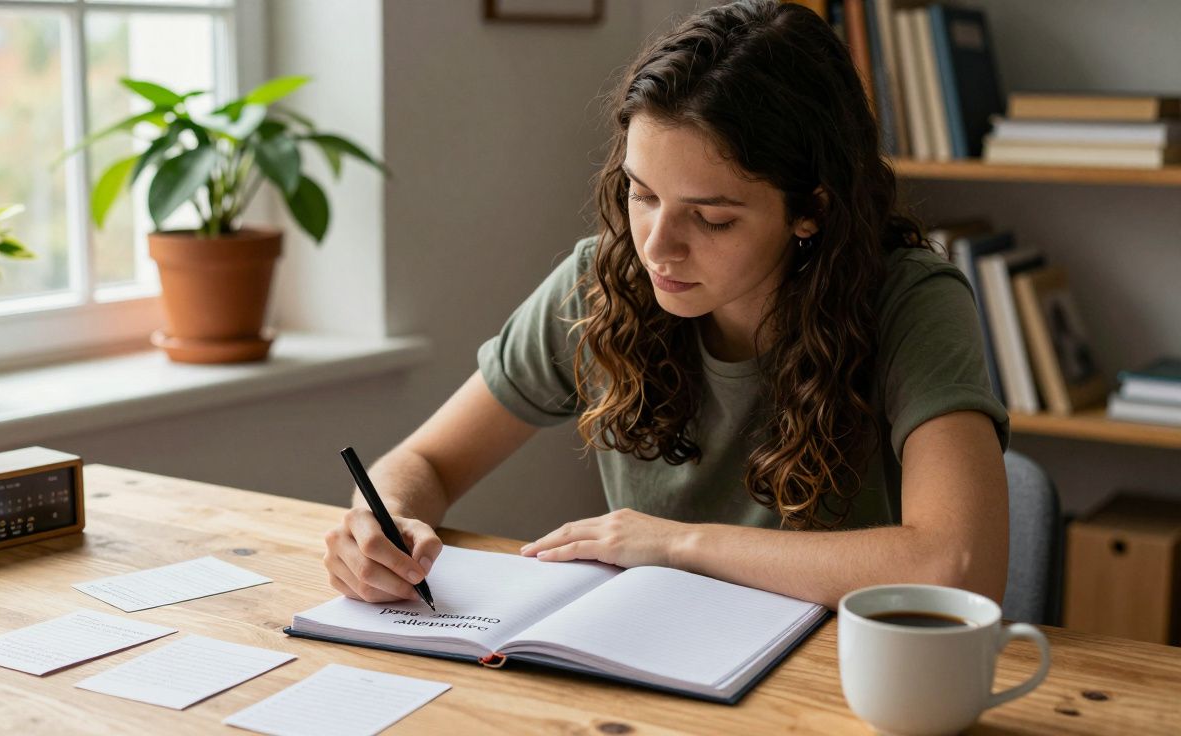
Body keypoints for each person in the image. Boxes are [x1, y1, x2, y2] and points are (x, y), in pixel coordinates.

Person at [323, 0, 1010, 609]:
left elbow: (956, 566)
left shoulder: (910, 300)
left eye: (711, 219)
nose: (656, 247)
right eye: (642, 194)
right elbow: (429, 463)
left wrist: (676, 545)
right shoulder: (599, 279)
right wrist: (381, 524)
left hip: (833, 686)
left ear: (810, 212)